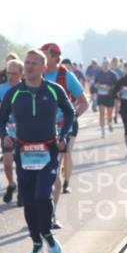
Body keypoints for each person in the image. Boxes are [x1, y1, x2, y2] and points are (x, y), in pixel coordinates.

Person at [0, 49, 74, 253]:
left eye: (34, 63)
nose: (29, 66)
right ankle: (37, 242)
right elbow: (0, 119)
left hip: (48, 150)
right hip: (23, 152)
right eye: (27, 63)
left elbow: (70, 112)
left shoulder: (54, 90)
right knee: (28, 201)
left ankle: (47, 233)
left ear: (43, 67)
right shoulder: (14, 93)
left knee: (43, 195)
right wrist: (5, 135)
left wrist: (63, 135)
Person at [40, 42, 89, 224]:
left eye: (45, 55)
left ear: (54, 57)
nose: (42, 59)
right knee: (37, 171)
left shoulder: (66, 76)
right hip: (37, 131)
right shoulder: (38, 74)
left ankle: (51, 213)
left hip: (59, 131)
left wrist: (71, 116)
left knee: (54, 171)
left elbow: (83, 102)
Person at [0, 59, 24, 204]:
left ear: (21, 74)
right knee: (7, 162)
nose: (10, 76)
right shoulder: (1, 89)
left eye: (14, 73)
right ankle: (12, 184)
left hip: (23, 133)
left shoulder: (25, 88)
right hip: (8, 131)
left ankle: (22, 192)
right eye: (8, 73)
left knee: (21, 163)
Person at [112, 61, 127, 158]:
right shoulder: (121, 80)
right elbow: (114, 92)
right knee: (126, 129)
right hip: (124, 107)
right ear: (124, 69)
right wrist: (118, 95)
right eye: (126, 68)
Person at [94, 59, 119, 138]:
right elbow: (95, 84)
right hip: (101, 95)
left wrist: (110, 87)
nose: (105, 65)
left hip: (110, 96)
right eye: (104, 64)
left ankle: (110, 122)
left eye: (106, 64)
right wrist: (97, 86)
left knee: (109, 113)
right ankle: (102, 131)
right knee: (101, 113)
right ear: (102, 65)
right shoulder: (98, 74)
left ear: (108, 64)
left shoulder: (113, 74)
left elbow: (117, 85)